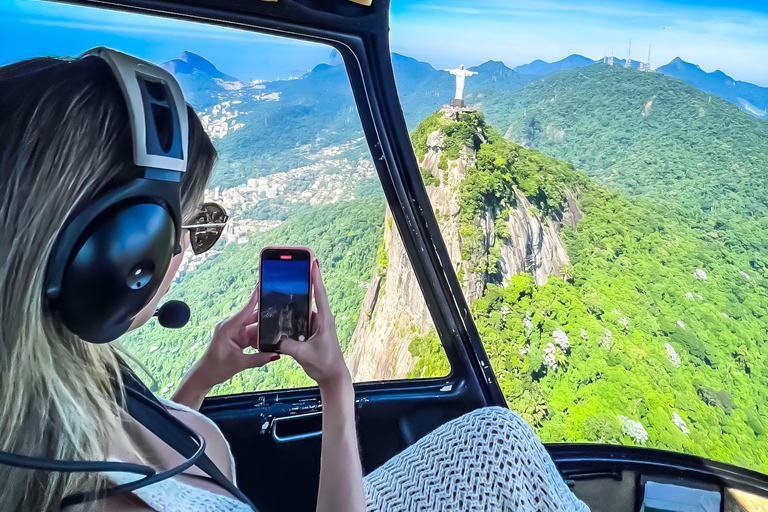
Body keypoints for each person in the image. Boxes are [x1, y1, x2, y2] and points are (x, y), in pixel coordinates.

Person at [0, 52, 590, 512]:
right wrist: (336, 386)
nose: (183, 250)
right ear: (116, 254)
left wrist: (205, 375)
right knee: (502, 441)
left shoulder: (63, 386)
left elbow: (149, 462)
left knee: (494, 435)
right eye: (183, 227)